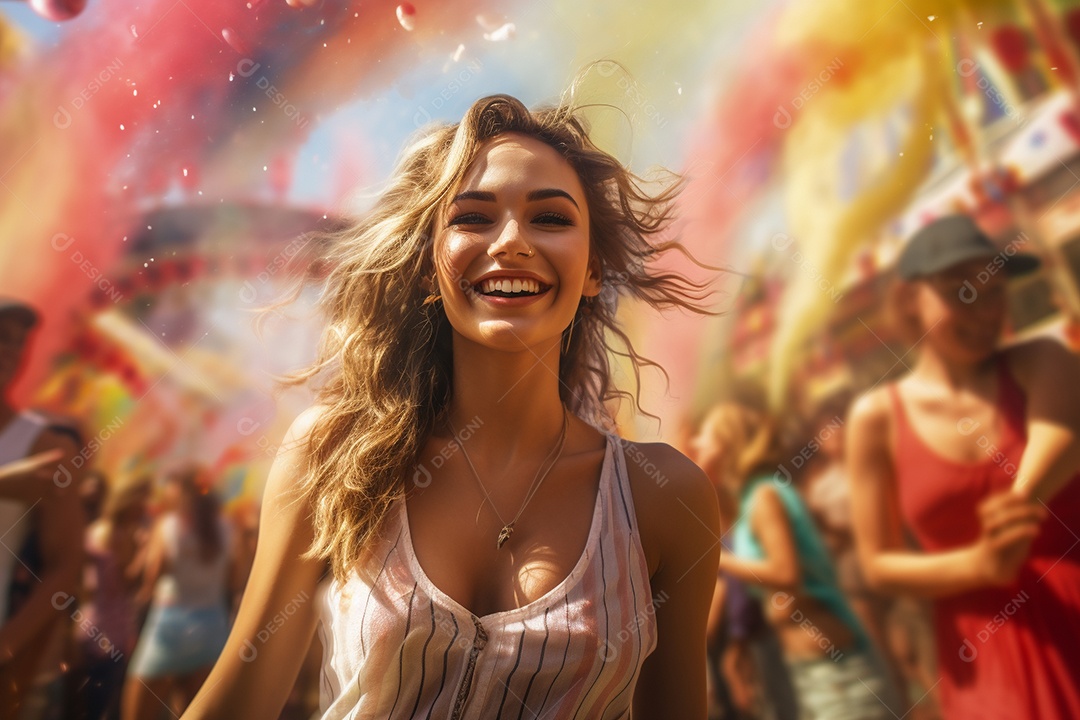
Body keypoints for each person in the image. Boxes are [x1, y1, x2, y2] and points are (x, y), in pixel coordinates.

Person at [181, 88, 720, 719]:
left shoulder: (664, 497)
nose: (512, 241)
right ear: (427, 267)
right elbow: (236, 704)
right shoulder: (334, 457)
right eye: (472, 217)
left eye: (549, 218)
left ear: (594, 268)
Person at [846, 214, 1080, 719]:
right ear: (909, 300)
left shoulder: (1041, 359)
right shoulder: (875, 418)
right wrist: (979, 564)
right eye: (960, 292)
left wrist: (1018, 505)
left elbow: (1066, 435)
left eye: (994, 291)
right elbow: (877, 564)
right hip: (985, 653)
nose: (985, 310)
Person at [695, 402, 892, 720]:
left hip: (837, 673)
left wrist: (718, 558)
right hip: (814, 672)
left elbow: (786, 574)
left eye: (705, 436)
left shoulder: (764, 496)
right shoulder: (752, 497)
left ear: (726, 443)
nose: (696, 444)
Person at [0, 297, 86, 720]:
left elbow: (65, 566)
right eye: (0, 336)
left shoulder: (45, 445)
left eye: (19, 341)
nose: (10, 350)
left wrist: (8, 647)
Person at [122, 468, 234, 720]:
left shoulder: (168, 526)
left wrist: (141, 549)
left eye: (169, 485)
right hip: (212, 627)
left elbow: (150, 580)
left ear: (181, 491)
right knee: (192, 711)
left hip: (171, 625)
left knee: (137, 712)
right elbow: (235, 579)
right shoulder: (225, 527)